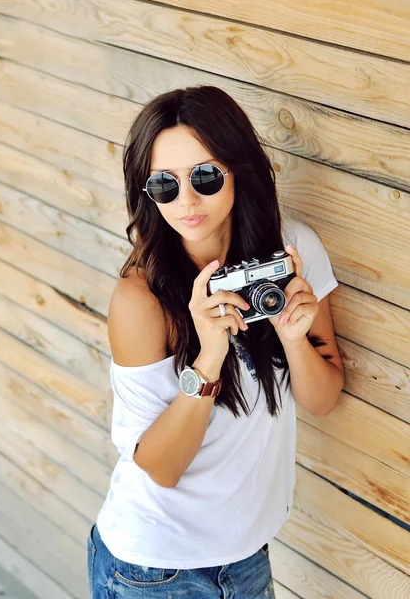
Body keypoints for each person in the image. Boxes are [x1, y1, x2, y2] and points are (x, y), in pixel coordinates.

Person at [86, 85, 345, 598]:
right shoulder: (141, 300)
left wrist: (293, 338)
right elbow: (160, 468)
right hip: (154, 570)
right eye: (164, 185)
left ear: (238, 169)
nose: (186, 201)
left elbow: (323, 398)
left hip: (246, 558)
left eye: (204, 177)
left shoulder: (291, 252)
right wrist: (208, 357)